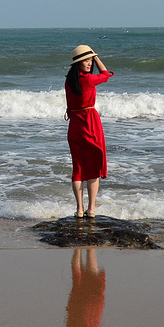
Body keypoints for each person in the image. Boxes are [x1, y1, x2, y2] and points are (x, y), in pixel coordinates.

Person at [65, 45, 113, 218]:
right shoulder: (88, 79)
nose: (89, 62)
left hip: (75, 126)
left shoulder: (69, 80)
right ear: (78, 63)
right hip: (90, 123)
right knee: (93, 168)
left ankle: (79, 209)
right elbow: (106, 74)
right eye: (85, 60)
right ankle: (91, 209)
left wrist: (91, 56)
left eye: (90, 60)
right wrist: (97, 56)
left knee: (78, 168)